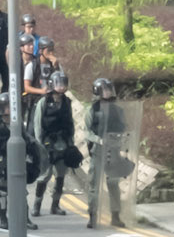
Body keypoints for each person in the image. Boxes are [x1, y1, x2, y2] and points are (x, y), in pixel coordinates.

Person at [33, 68, 80, 218]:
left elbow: (70, 123)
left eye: (64, 83)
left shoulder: (67, 102)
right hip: (47, 144)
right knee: (44, 176)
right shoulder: (43, 102)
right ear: (52, 84)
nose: (61, 86)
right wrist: (40, 146)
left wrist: (71, 142)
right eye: (59, 83)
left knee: (60, 176)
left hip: (63, 143)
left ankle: (55, 205)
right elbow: (37, 125)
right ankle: (37, 205)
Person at [87, 76, 132, 228]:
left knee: (113, 184)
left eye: (108, 89)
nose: (107, 92)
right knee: (94, 185)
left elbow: (124, 126)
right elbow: (87, 132)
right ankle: (92, 215)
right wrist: (99, 140)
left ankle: (116, 215)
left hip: (113, 150)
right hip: (98, 151)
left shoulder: (117, 110)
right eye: (104, 90)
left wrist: (122, 139)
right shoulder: (92, 109)